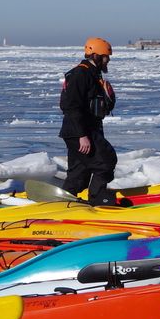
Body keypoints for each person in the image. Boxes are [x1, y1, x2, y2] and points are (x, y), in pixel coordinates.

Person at [58, 37, 118, 205]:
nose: (108, 60)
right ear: (96, 55)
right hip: (79, 131)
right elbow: (70, 106)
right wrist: (81, 135)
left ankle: (64, 202)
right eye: (106, 56)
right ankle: (98, 199)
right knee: (106, 161)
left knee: (79, 172)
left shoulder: (93, 73)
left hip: (86, 129)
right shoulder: (80, 74)